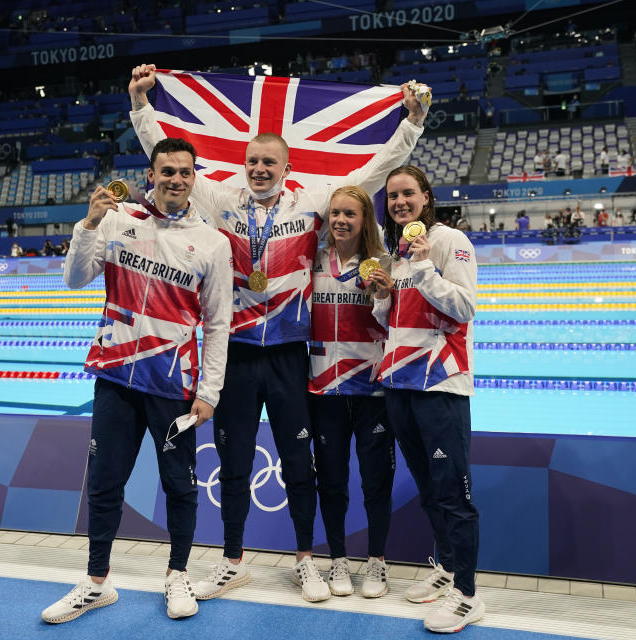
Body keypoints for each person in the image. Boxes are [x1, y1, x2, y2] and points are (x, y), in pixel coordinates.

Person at [127, 62, 426, 602]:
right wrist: (142, 107)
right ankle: (233, 560)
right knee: (235, 462)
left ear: (286, 168)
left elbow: (376, 174)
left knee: (296, 464)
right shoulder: (220, 201)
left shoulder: (311, 200)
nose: (259, 168)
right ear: (243, 166)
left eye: (269, 162)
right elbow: (167, 158)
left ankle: (306, 560)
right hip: (239, 354)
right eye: (252, 161)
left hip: (291, 356)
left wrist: (411, 123)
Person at [43, 137, 233, 623]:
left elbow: (218, 323)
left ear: (194, 178)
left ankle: (176, 575)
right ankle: (97, 581)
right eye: (166, 170)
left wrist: (209, 392)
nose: (175, 179)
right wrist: (87, 224)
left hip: (173, 385)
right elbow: (74, 278)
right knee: (105, 482)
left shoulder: (212, 243)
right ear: (151, 174)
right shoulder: (115, 219)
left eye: (184, 172)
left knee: (180, 485)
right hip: (115, 377)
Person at [373, 166, 483, 633]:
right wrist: (382, 296)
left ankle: (468, 593)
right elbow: (396, 322)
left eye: (408, 194)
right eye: (393, 196)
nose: (399, 202)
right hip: (400, 386)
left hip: (439, 385)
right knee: (429, 490)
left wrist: (421, 267)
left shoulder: (449, 241)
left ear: (426, 197)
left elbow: (463, 307)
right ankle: (445, 569)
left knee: (453, 493)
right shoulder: (399, 250)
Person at [308, 186, 395, 599]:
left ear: (365, 221)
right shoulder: (312, 262)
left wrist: (382, 296)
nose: (341, 220)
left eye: (350, 214)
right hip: (323, 388)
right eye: (336, 213)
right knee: (332, 480)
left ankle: (376, 561)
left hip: (371, 390)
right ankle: (338, 558)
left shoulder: (382, 265)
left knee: (376, 481)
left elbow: (395, 323)